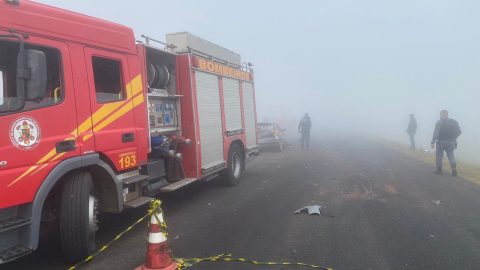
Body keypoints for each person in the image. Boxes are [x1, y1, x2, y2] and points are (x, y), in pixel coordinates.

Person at [431, 110, 462, 176]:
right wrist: (454, 139)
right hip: (451, 142)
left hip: (441, 142)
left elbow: (436, 133)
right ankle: (454, 169)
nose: (440, 116)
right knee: (451, 156)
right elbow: (459, 132)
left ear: (443, 115)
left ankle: (439, 170)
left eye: (440, 115)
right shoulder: (453, 122)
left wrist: (432, 141)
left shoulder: (440, 122)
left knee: (439, 156)